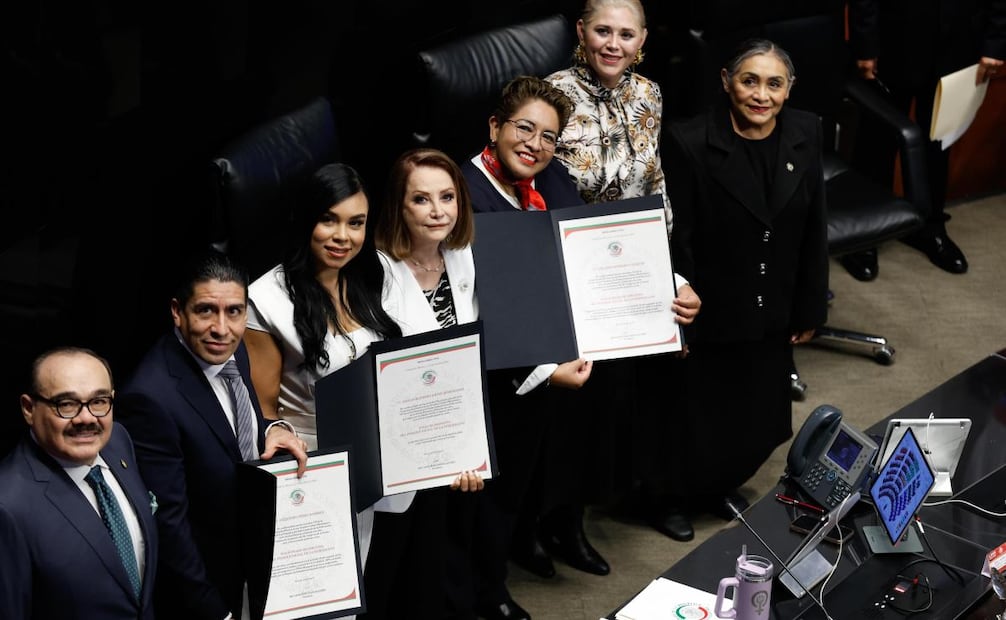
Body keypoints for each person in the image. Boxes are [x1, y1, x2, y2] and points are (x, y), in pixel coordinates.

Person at [546, 0, 702, 543]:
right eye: (603, 31)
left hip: (633, 266)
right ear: (581, 33)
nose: (614, 44)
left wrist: (669, 274)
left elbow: (655, 185)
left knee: (645, 387)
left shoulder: (650, 94)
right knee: (580, 407)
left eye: (626, 35)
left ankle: (638, 498)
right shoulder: (552, 96)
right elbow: (536, 191)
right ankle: (558, 523)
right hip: (569, 268)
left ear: (642, 42)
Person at [665, 38, 829, 528]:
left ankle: (716, 487)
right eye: (749, 80)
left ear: (789, 89)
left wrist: (809, 306)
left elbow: (813, 224)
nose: (761, 94)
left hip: (772, 306)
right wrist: (679, 326)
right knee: (697, 418)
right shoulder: (689, 141)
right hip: (712, 309)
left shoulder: (806, 130)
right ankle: (670, 500)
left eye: (774, 83)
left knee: (757, 419)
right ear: (726, 81)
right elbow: (679, 239)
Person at [242, 162, 407, 620]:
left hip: (366, 467)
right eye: (329, 220)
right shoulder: (269, 299)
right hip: (306, 473)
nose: (343, 236)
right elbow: (263, 410)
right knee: (305, 607)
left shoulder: (371, 275)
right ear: (306, 220)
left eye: (355, 223)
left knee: (348, 601)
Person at [461, 75, 597, 620]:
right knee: (488, 495)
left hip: (543, 351)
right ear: (495, 127)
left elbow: (589, 235)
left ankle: (514, 557)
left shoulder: (549, 176)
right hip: (489, 372)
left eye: (549, 136)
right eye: (524, 129)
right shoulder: (464, 196)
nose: (536, 145)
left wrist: (670, 285)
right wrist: (543, 370)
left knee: (524, 476)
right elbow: (481, 307)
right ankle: (484, 594)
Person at [116, 248, 309, 620]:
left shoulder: (232, 351)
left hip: (251, 563)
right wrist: (213, 612)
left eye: (234, 312)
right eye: (206, 310)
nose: (222, 328)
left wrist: (273, 430)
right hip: (203, 591)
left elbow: (233, 425)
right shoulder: (149, 398)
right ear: (178, 312)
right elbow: (169, 526)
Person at [370, 147, 485, 620]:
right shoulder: (374, 272)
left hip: (447, 450)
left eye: (448, 197)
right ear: (399, 205)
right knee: (382, 577)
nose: (438, 211)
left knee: (427, 577)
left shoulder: (463, 258)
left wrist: (468, 451)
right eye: (422, 200)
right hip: (393, 454)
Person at [842, 0, 1006, 279]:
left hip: (958, 42)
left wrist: (995, 43)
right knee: (877, 140)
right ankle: (865, 236)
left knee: (940, 139)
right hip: (894, 41)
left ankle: (930, 227)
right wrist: (866, 45)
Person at [0, 346, 158, 619]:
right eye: (67, 404)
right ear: (28, 408)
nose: (86, 418)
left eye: (99, 401)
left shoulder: (118, 441)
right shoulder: (8, 506)